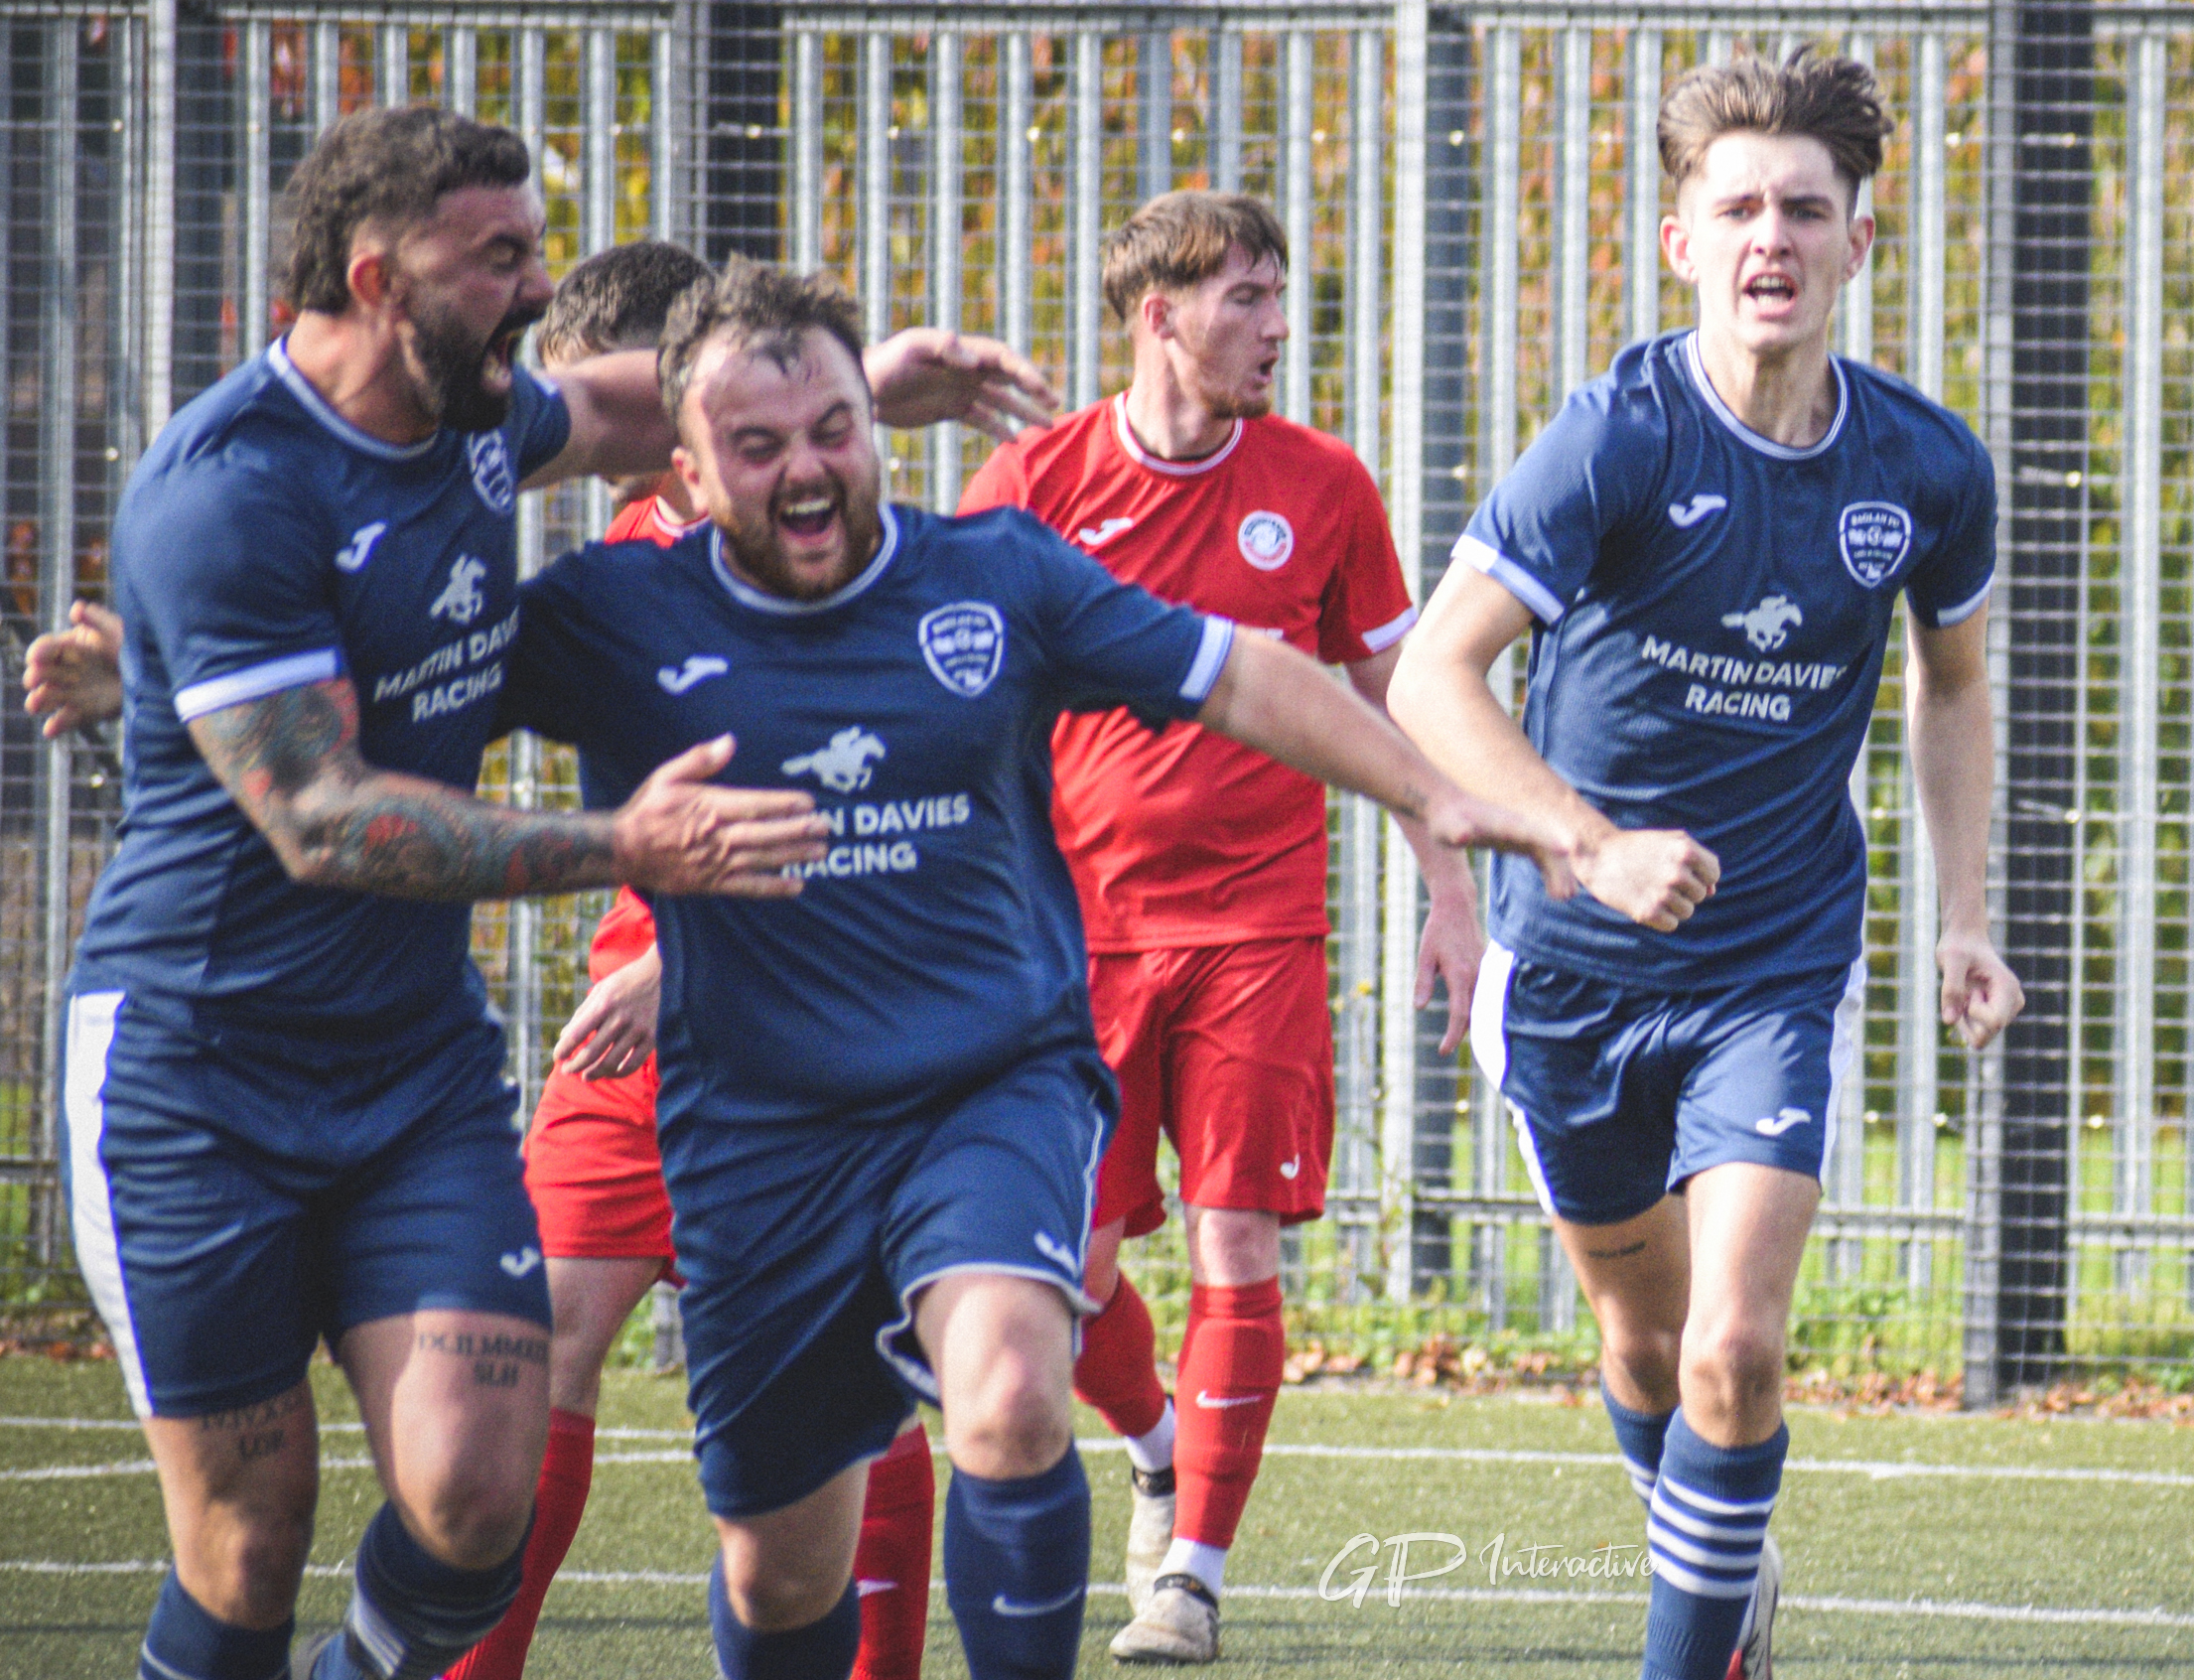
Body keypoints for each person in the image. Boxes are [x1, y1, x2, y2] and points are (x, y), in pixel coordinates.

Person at [42, 103, 1039, 1680]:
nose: (532, 286)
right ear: (377, 279)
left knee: (473, 1492)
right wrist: (620, 850)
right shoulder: (229, 492)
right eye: (495, 257)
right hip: (192, 1070)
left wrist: (868, 386)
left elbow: (636, 409)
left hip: (408, 1067)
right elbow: (319, 819)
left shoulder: (473, 416)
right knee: (247, 1539)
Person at [489, 260, 1577, 1680]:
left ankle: (1159, 1539)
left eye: (835, 428)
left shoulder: (991, 575)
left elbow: (1246, 673)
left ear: (874, 420)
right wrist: (183, 663)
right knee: (780, 1566)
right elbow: (386, 676)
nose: (807, 469)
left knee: (1006, 1394)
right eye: (757, 448)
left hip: (986, 1087)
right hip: (760, 1126)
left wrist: (1437, 803)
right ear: (684, 469)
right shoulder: (616, 610)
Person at [1384, 50, 2023, 1680]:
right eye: (1736, 205)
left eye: (1806, 208)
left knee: (1739, 1347)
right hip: (1572, 965)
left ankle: (1700, 1643)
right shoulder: (1611, 439)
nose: (1772, 236)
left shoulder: (1927, 470)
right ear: (1681, 240)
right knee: (1649, 1346)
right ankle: (1716, 1546)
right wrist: (1586, 847)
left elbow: (1956, 687)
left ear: (1859, 245)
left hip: (1776, 960)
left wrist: (1968, 916)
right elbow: (1429, 678)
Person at [958, 190, 1482, 1663]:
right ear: (1160, 315)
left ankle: (1189, 1574)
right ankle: (1155, 1435)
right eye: (1244, 297)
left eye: (1279, 294)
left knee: (1237, 1239)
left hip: (1261, 930)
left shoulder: (1323, 484)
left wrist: (1453, 893)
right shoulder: (1032, 483)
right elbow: (945, 691)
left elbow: (1392, 712)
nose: (1273, 325)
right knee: (1078, 1271)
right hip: (1072, 945)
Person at [445, 241, 971, 1680]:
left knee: (866, 1379)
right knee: (538, 1331)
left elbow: (884, 826)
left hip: (812, 1034)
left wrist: (694, 964)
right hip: (635, 1048)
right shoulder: (619, 567)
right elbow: (414, 702)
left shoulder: (849, 559)